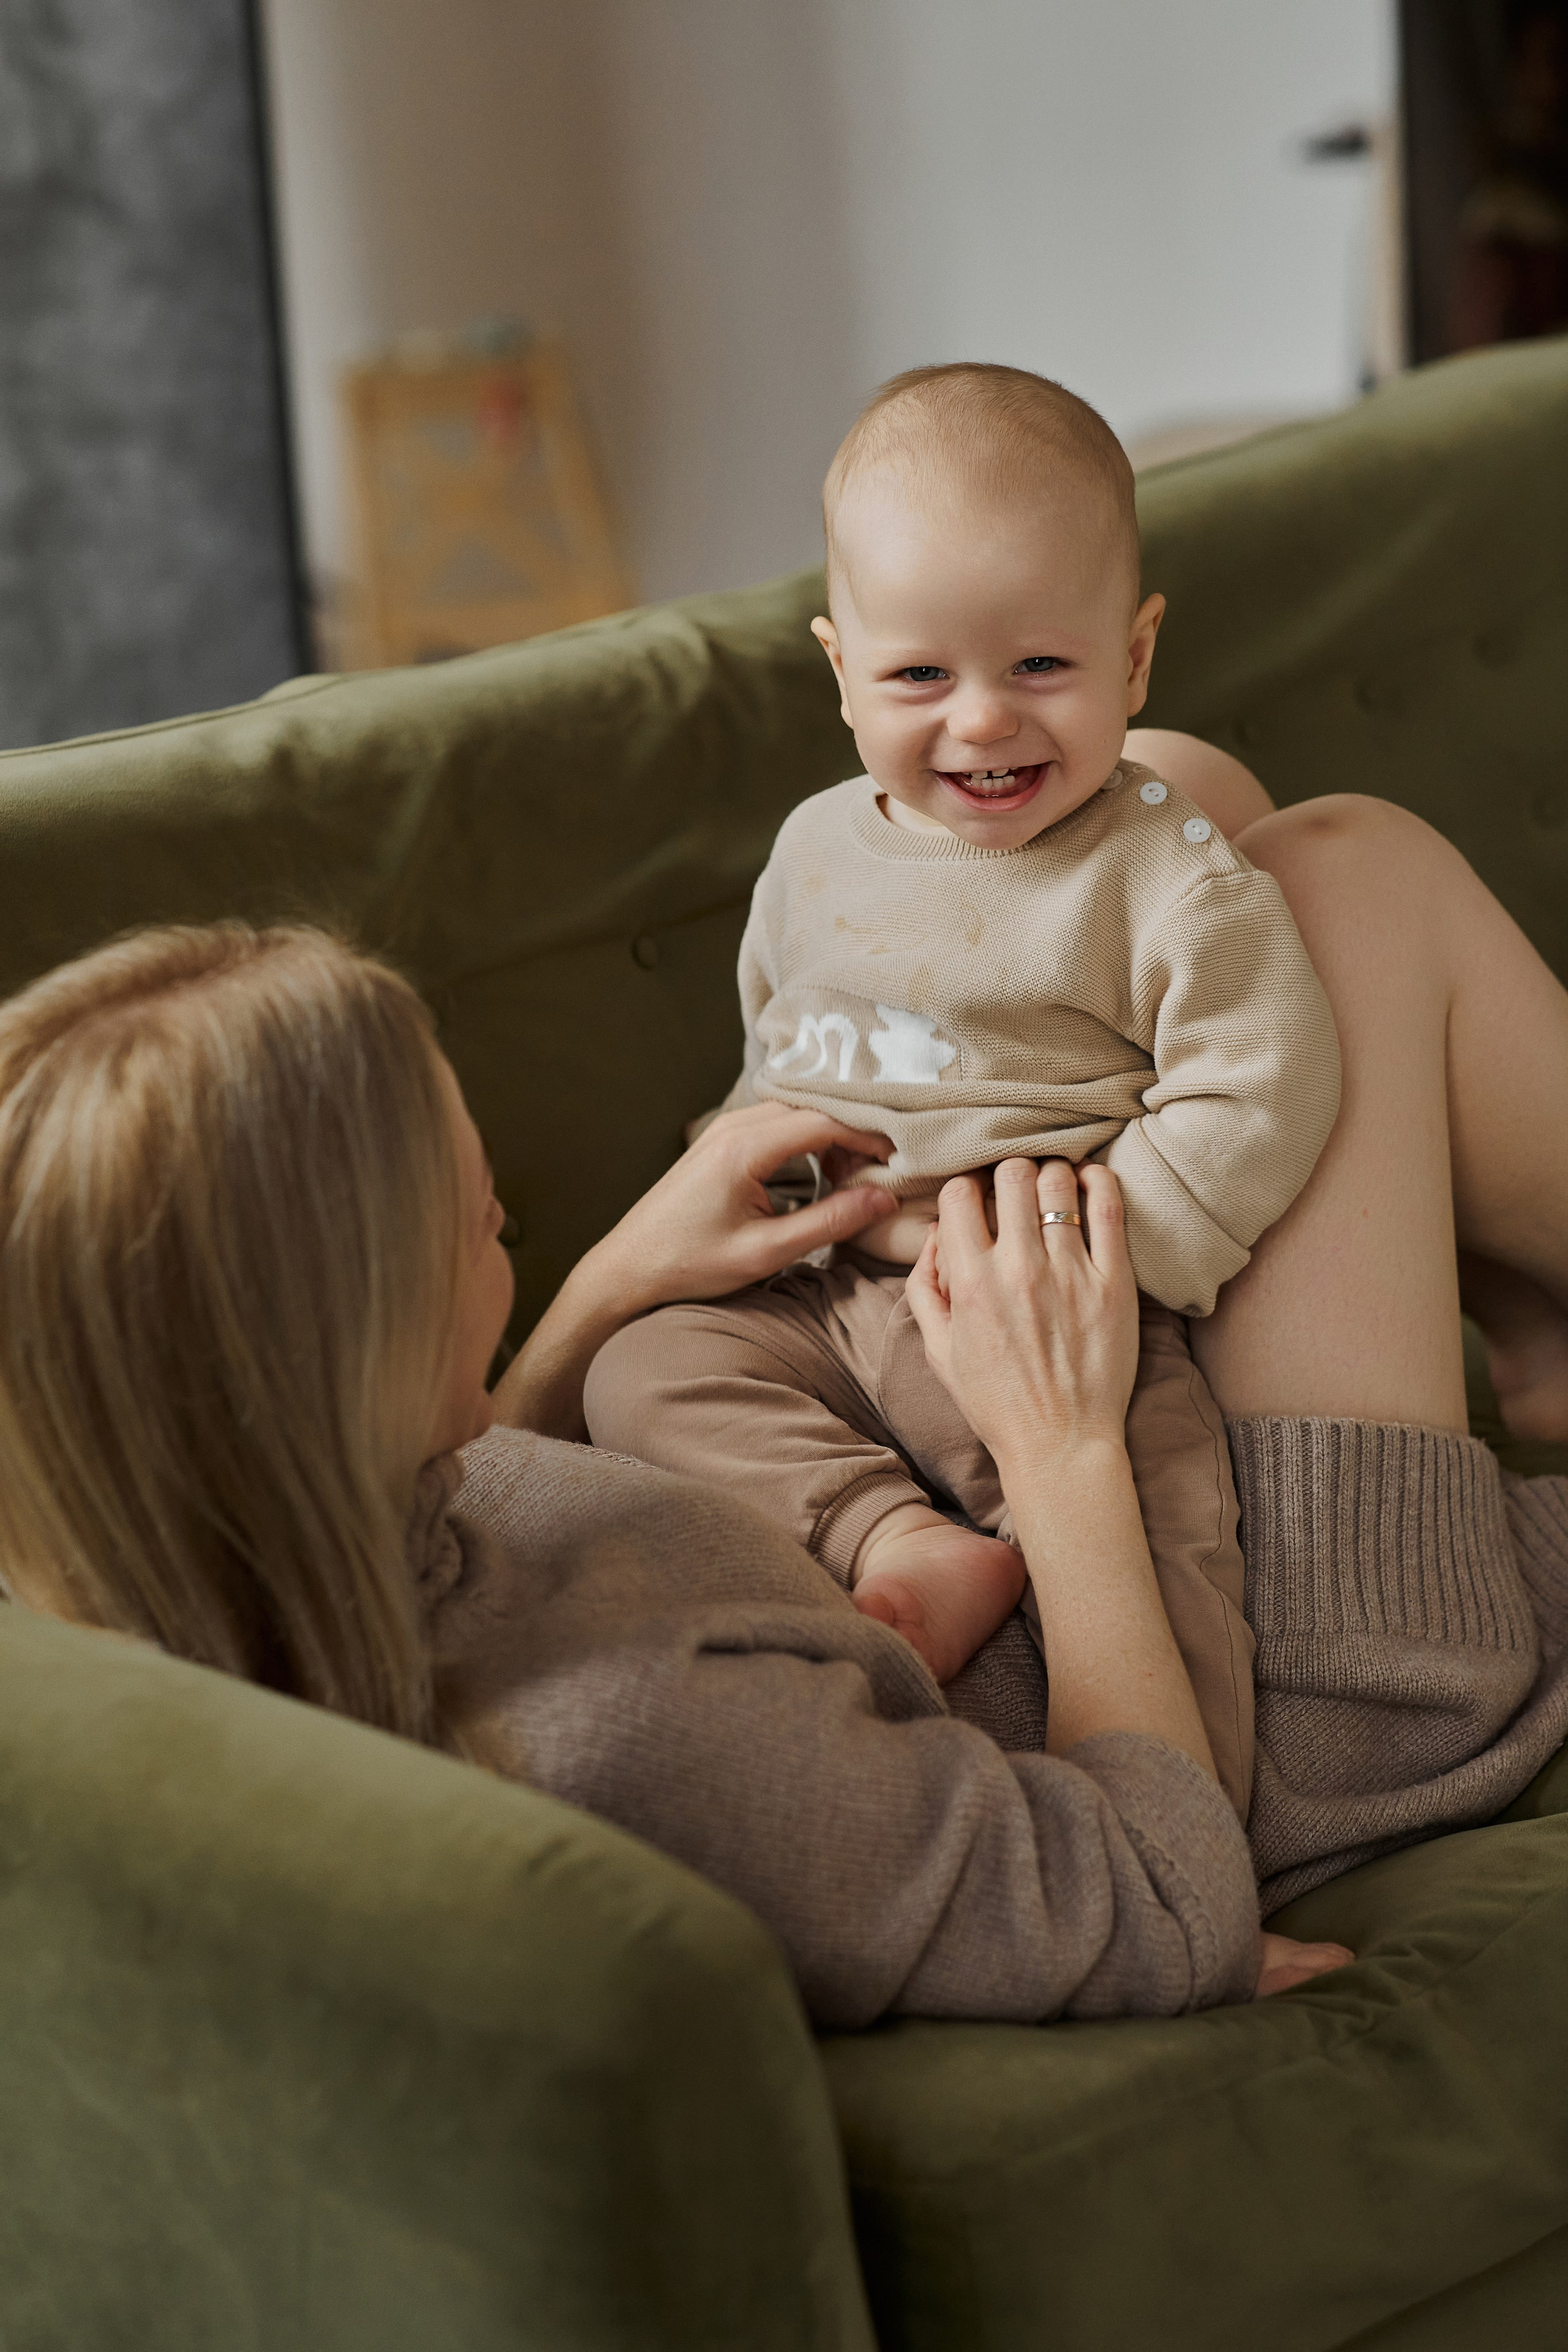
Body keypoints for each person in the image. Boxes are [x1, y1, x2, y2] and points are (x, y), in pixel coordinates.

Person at [0, 919, 1306, 2026]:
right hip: (1225, 1671)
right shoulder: (633, 1742)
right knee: (1350, 875)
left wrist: (609, 1283)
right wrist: (1059, 1442)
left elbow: (474, 1509)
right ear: (348, 1357)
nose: (507, 1223)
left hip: (987, 1565)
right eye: (475, 1225)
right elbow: (1158, 1897)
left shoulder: (171, 1573)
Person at [584, 363, 1341, 1825]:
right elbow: (777, 1038)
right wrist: (744, 1170)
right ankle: (892, 1539)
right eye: (919, 677)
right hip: (815, 1290)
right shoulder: (814, 849)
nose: (981, 724)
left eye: (1039, 670)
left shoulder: (1166, 879)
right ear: (838, 667)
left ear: (1133, 659)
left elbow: (1266, 1078)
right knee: (641, 1373)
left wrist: (1118, 1255)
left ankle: (1182, 1850)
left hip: (1035, 1306)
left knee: (1156, 1538)